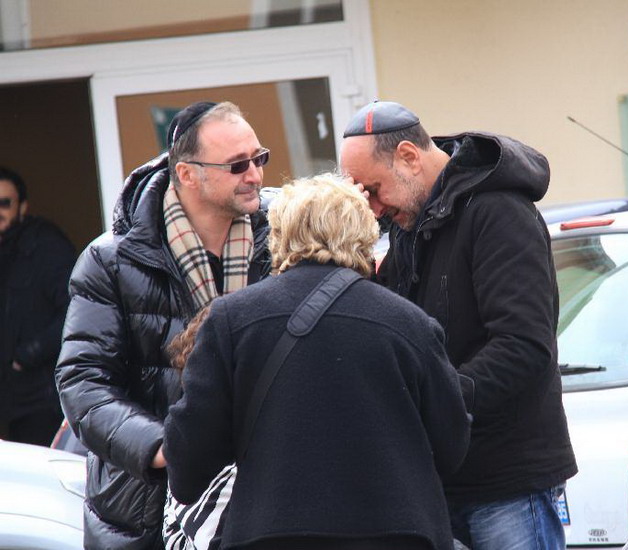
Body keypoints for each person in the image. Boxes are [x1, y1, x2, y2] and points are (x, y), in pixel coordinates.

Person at [164, 173, 471, 550]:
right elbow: (452, 448)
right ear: (365, 235)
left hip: (273, 535)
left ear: (278, 235)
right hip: (399, 533)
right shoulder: (411, 324)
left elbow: (189, 462)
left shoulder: (231, 321)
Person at [339, 101, 578, 550]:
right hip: (439, 480)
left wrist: (435, 401)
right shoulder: (413, 221)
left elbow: (522, 346)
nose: (370, 209)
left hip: (507, 482)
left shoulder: (499, 213)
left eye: (372, 189)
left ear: (409, 157)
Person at [55, 101, 272, 549]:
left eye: (259, 158)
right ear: (188, 174)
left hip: (266, 497)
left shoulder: (284, 240)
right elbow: (82, 383)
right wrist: (167, 447)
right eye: (237, 165)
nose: (255, 174)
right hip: (146, 509)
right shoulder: (110, 261)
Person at [0, 166, 76, 446]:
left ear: (22, 207)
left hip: (46, 401)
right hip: (16, 404)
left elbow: (77, 310)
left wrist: (27, 356)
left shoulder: (44, 245)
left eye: (5, 203)